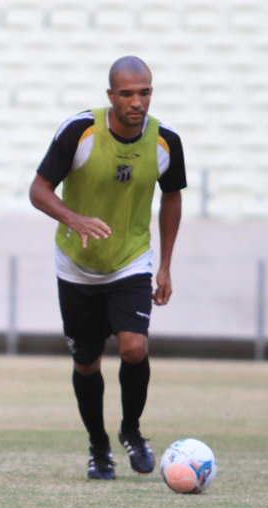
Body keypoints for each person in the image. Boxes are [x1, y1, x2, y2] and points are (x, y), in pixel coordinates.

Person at [29, 56, 186, 480]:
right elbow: (39, 190)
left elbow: (172, 198)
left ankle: (132, 431)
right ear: (111, 95)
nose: (138, 102)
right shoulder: (80, 132)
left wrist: (165, 265)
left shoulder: (165, 142)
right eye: (128, 93)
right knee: (87, 362)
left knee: (134, 347)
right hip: (77, 265)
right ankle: (99, 448)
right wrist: (73, 218)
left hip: (130, 260)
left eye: (145, 92)